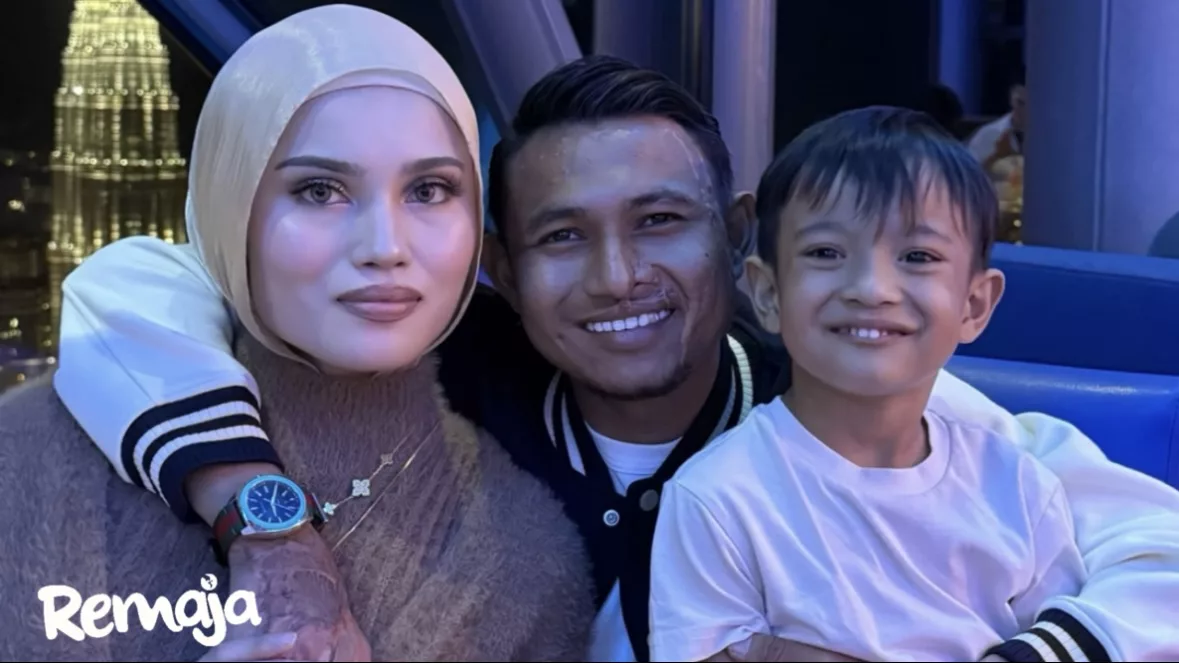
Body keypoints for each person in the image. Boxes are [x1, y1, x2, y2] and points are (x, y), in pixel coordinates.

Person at [52, 55, 1179, 662]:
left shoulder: (839, 397)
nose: (615, 276)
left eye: (659, 222)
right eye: (561, 238)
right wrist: (271, 528)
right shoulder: (450, 373)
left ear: (738, 242)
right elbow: (128, 281)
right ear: (499, 264)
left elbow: (1155, 552)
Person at [0, 6, 593, 661]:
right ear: (229, 206)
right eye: (318, 190)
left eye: (429, 189)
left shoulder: (529, 551)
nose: (385, 246)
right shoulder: (27, 458)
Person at [649, 107, 1086, 662]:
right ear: (768, 293)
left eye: (917, 256)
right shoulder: (717, 498)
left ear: (975, 304)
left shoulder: (1020, 489)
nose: (872, 288)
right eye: (826, 253)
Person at [968, 71, 1026, 178]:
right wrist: (996, 156)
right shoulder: (987, 135)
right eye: (1021, 103)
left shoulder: (1054, 139)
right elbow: (968, 177)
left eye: (1032, 104)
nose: (1025, 111)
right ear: (1011, 99)